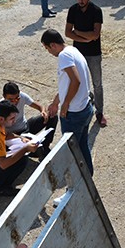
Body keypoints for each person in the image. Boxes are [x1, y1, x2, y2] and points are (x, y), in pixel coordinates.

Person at [41, 29, 95, 174]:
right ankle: (88, 174)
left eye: (47, 48)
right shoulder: (73, 50)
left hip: (74, 113)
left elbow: (75, 81)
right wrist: (56, 102)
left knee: (71, 150)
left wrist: (65, 104)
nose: (49, 52)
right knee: (82, 144)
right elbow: (67, 83)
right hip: (85, 108)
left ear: (53, 45)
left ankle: (78, 182)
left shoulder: (64, 56)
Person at [66, 0, 107, 128]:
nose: (80, 1)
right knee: (80, 83)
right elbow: (67, 32)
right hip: (78, 54)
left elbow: (95, 35)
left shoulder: (96, 11)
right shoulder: (72, 10)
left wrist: (78, 32)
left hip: (94, 53)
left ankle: (100, 112)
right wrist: (86, 38)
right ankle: (85, 110)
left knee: (97, 84)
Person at [0, 81, 58, 152]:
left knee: (52, 117)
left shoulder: (22, 96)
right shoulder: (0, 109)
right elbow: (2, 134)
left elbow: (39, 106)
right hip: (12, 137)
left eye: (17, 99)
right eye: (11, 100)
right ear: (4, 96)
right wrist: (20, 137)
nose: (15, 102)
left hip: (25, 128)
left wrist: (43, 111)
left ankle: (45, 145)